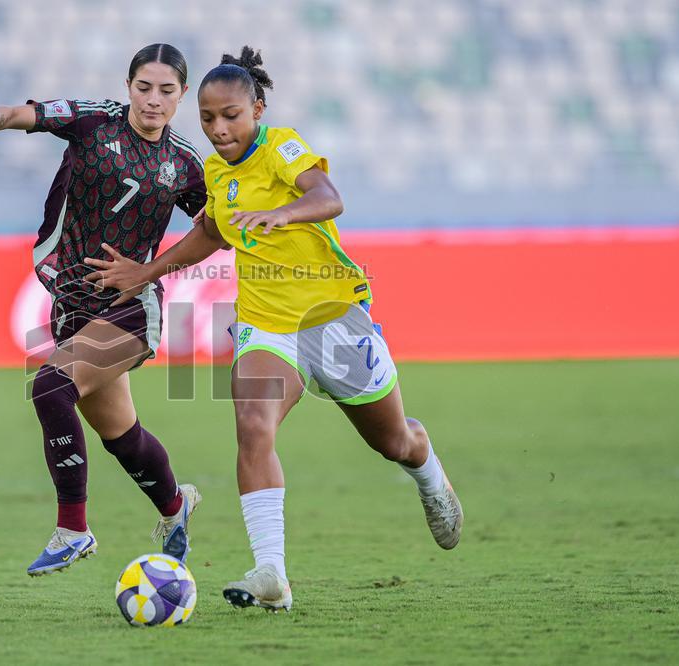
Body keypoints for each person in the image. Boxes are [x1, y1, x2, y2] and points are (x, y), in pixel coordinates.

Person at [84, 46, 463, 611]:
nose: (218, 128)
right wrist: (148, 270)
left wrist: (280, 214)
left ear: (257, 108)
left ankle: (428, 468)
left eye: (230, 115)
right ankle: (272, 575)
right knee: (253, 422)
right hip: (265, 324)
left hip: (331, 318)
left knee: (393, 442)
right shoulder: (216, 171)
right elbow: (211, 233)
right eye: (208, 118)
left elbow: (329, 198)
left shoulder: (282, 146)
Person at [0, 44, 207, 576]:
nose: (153, 101)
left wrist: (151, 272)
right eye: (143, 87)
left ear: (182, 96)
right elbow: (30, 114)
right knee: (123, 438)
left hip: (131, 307)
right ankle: (177, 509)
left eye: (166, 91)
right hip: (70, 302)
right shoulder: (94, 122)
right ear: (128, 86)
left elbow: (215, 229)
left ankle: (74, 530)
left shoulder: (183, 164)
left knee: (49, 387)